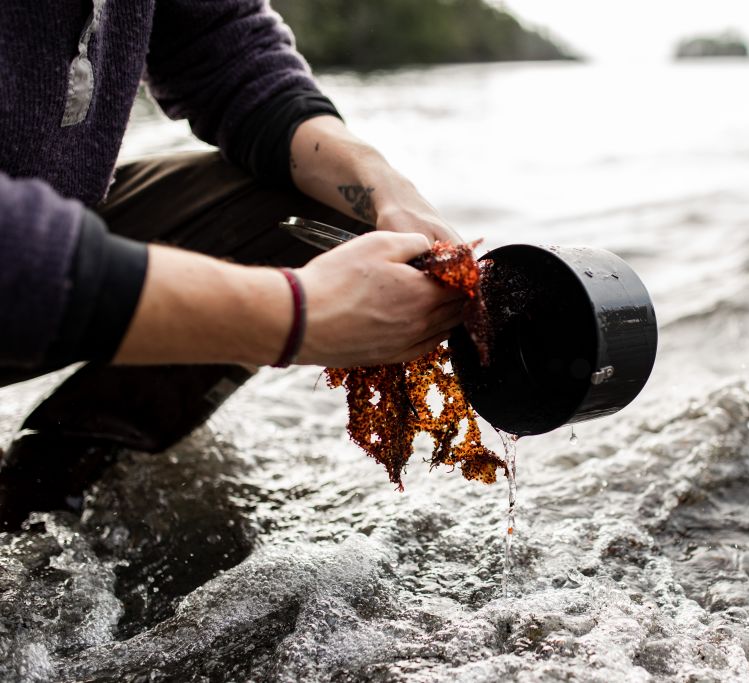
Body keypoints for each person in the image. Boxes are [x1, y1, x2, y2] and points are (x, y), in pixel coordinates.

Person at [0, 1, 468, 530]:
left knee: (331, 208)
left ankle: (51, 477)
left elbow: (228, 50)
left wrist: (385, 187)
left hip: (58, 225)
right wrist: (294, 315)